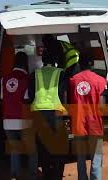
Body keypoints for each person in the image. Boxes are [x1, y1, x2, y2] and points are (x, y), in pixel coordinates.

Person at [28, 50, 68, 180]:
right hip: (56, 114)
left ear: (43, 60)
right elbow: (63, 96)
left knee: (43, 148)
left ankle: (46, 174)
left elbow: (31, 95)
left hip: (38, 114)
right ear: (55, 60)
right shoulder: (60, 73)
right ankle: (57, 176)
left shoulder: (35, 74)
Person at [68, 52, 107, 180]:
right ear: (92, 64)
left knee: (80, 158)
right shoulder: (100, 80)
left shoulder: (73, 81)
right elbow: (101, 106)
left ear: (79, 63)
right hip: (94, 124)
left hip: (78, 124)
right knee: (96, 158)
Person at [1, 52, 37, 180]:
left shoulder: (4, 79)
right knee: (32, 151)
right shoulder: (26, 79)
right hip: (23, 121)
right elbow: (27, 100)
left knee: (14, 150)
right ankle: (33, 176)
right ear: (26, 63)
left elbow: (2, 99)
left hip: (7, 121)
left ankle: (15, 176)